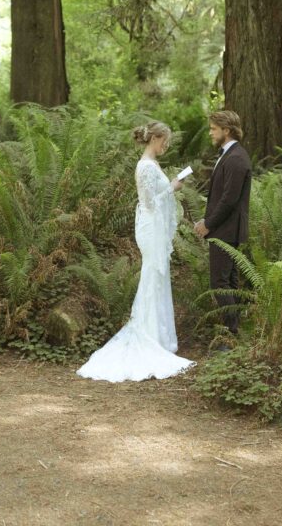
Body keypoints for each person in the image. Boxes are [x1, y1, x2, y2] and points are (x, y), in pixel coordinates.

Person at [76, 121, 195, 382]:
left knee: (158, 277)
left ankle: (160, 338)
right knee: (153, 275)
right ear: (155, 138)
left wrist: (170, 186)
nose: (167, 145)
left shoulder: (152, 164)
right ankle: (149, 336)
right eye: (166, 140)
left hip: (154, 228)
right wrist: (172, 187)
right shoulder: (144, 166)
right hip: (150, 229)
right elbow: (149, 203)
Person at [194, 110, 251, 336]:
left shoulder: (237, 158)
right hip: (224, 228)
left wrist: (208, 224)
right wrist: (207, 220)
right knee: (228, 281)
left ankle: (231, 333)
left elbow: (229, 200)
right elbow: (221, 196)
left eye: (214, 129)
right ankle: (234, 330)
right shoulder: (229, 154)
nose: (210, 132)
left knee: (220, 283)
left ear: (226, 130)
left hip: (227, 230)